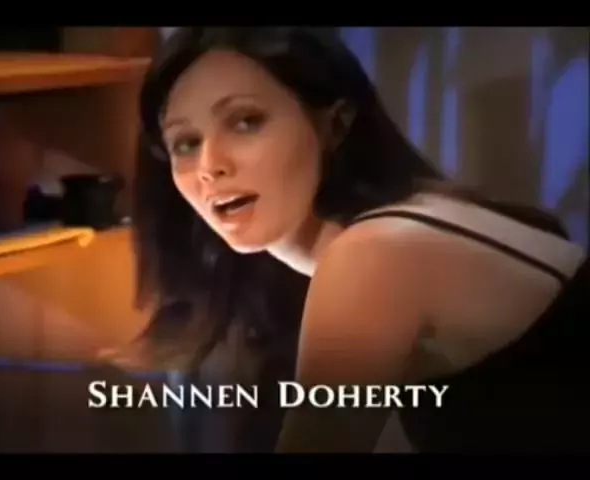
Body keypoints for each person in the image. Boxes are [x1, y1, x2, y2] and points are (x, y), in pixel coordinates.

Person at [128, 27, 588, 452]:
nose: (210, 165)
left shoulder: (373, 255)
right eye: (185, 142)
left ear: (335, 124)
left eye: (246, 121)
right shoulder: (407, 223)